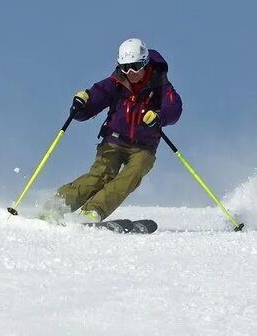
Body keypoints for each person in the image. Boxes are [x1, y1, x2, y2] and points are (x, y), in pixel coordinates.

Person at [49, 38, 183, 221]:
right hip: (113, 140)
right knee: (99, 176)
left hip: (144, 147)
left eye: (135, 66)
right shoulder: (115, 83)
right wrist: (81, 106)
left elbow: (173, 108)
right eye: (125, 67)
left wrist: (159, 117)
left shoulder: (160, 85)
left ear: (144, 62)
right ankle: (56, 205)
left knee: (131, 175)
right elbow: (95, 98)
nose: (130, 72)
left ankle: (93, 210)